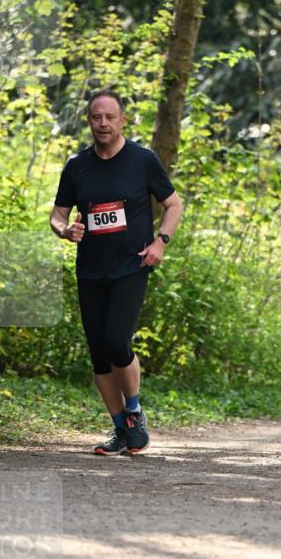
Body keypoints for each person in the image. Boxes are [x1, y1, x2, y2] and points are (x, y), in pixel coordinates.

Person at [50, 89, 183, 456]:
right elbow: (58, 214)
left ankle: (135, 412)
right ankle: (120, 429)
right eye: (96, 117)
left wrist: (160, 242)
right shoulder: (77, 165)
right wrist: (65, 230)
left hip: (131, 266)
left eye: (110, 117)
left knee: (115, 342)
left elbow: (173, 204)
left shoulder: (142, 160)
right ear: (89, 121)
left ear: (122, 120)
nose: (103, 123)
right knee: (97, 354)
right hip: (91, 270)